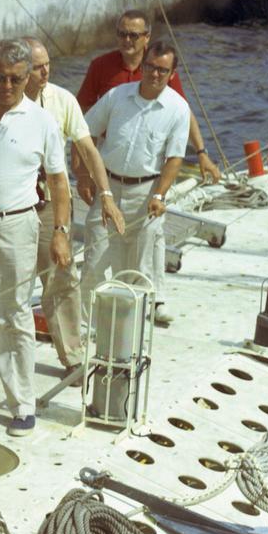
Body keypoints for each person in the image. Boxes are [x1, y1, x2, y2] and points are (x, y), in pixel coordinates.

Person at [0, 38, 70, 437]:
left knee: (14, 316)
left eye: (16, 79)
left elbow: (59, 183)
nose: (7, 86)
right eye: (0, 77)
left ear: (28, 78)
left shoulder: (43, 122)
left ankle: (22, 404)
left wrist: (60, 232)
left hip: (16, 226)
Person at [26, 38, 125, 372]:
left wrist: (106, 195)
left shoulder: (62, 100)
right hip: (11, 207)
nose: (45, 72)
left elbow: (88, 149)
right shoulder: (1, 103)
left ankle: (72, 356)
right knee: (2, 284)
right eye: (37, 67)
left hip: (50, 203)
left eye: (47, 65)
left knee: (61, 277)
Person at [82, 38, 190, 325]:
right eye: (151, 67)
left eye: (163, 70)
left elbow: (174, 158)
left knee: (140, 265)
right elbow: (85, 133)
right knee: (94, 260)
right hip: (107, 189)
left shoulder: (178, 109)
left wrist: (160, 195)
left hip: (147, 192)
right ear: (142, 66)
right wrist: (83, 175)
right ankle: (87, 324)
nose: (155, 74)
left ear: (172, 74)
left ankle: (133, 325)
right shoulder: (116, 96)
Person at [76, 8, 223, 184]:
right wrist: (83, 171)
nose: (126, 40)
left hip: (150, 156)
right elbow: (83, 111)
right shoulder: (100, 65)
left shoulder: (161, 68)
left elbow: (184, 113)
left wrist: (201, 152)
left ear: (147, 37)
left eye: (133, 35)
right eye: (122, 34)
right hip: (109, 151)